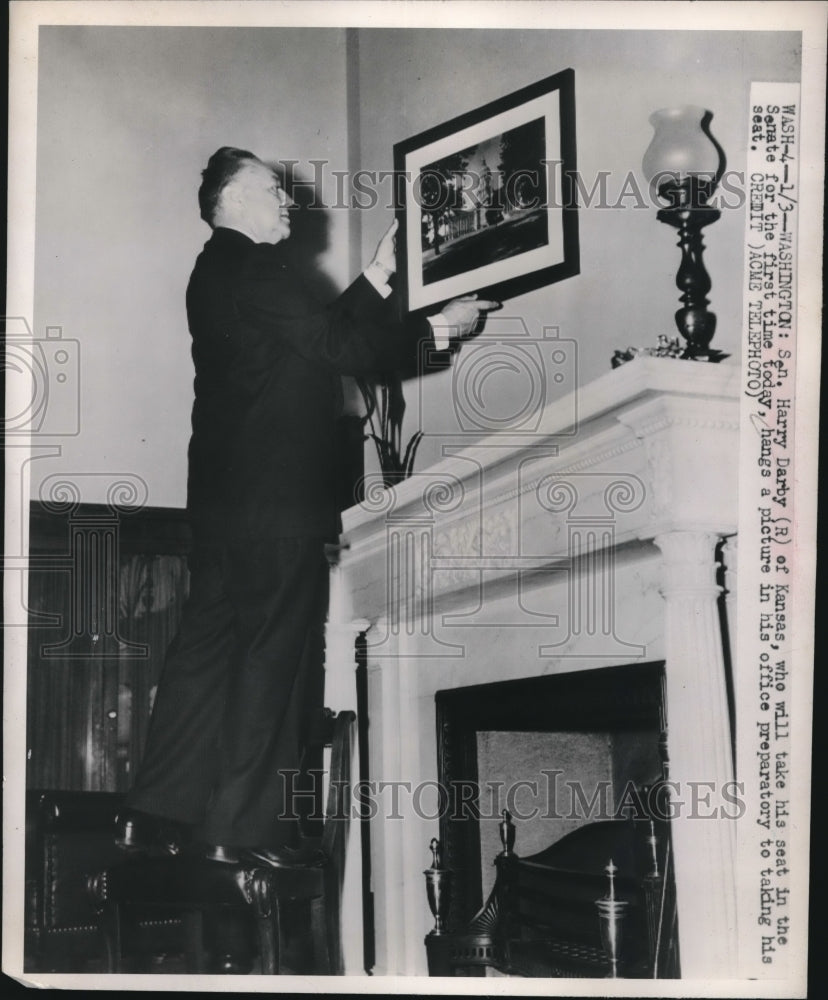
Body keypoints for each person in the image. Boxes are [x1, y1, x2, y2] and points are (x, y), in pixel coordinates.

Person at [114, 146, 498, 869]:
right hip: (277, 502)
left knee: (208, 652)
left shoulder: (219, 271)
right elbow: (339, 344)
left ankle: (153, 812)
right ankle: (238, 829)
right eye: (271, 187)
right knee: (273, 658)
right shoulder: (259, 269)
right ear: (227, 200)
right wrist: (438, 330)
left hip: (227, 506)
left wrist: (380, 273)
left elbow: (310, 341)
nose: (288, 198)